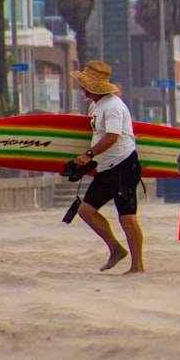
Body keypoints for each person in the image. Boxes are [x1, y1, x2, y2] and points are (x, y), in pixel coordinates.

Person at [70, 60, 144, 274]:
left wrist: (88, 154)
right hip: (105, 168)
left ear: (94, 87)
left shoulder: (113, 106)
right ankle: (116, 248)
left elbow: (112, 137)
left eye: (84, 86)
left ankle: (137, 267)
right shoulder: (96, 106)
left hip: (123, 166)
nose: (82, 89)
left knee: (127, 218)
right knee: (86, 211)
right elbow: (99, 135)